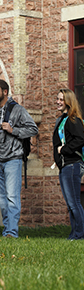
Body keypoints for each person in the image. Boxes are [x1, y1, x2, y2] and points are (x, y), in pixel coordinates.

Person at [0, 79, 38, 238]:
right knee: (2, 199)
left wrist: (13, 130)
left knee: (12, 197)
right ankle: (8, 229)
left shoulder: (17, 110)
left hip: (13, 158)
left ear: (5, 92)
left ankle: (11, 232)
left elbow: (33, 129)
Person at [53, 88, 84, 240]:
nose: (58, 102)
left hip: (72, 165)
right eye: (57, 99)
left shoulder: (73, 120)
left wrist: (63, 149)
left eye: (61, 99)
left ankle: (79, 235)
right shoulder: (63, 119)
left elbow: (80, 140)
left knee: (74, 203)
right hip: (65, 166)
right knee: (71, 204)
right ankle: (74, 234)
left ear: (68, 102)